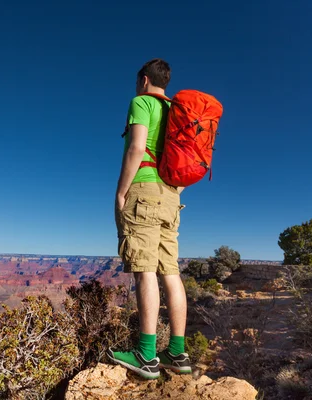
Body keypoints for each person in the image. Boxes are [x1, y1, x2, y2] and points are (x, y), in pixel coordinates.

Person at [109, 59, 191, 379]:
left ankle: (146, 356)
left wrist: (121, 191)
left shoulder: (142, 102)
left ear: (144, 80)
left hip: (143, 191)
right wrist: (173, 190)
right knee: (170, 272)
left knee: (145, 272)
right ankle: (177, 352)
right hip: (172, 196)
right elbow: (188, 159)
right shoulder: (179, 112)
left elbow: (137, 147)